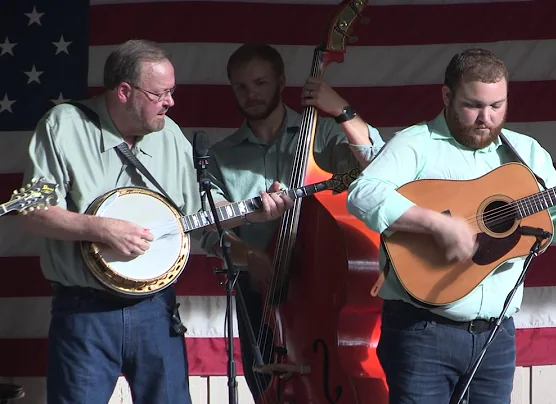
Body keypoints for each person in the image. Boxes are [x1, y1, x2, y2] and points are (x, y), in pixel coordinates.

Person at [345, 48, 556, 403]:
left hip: (495, 337)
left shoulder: (527, 152)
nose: (485, 118)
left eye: (497, 106)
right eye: (473, 105)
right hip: (422, 331)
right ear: (447, 96)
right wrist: (436, 224)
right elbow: (362, 194)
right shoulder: (417, 143)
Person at [19, 39, 208, 404]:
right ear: (125, 91)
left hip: (156, 310)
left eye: (172, 91)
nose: (170, 102)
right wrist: (100, 229)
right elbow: (32, 213)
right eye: (161, 93)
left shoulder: (171, 135)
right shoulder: (66, 125)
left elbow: (202, 212)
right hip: (84, 312)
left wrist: (256, 210)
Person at [197, 43, 386, 399]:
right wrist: (251, 257)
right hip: (262, 298)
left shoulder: (324, 136)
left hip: (325, 290)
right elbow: (210, 232)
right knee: (266, 392)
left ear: (281, 81)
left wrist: (342, 111)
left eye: (260, 83)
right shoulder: (221, 156)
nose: (251, 95)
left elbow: (379, 170)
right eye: (241, 87)